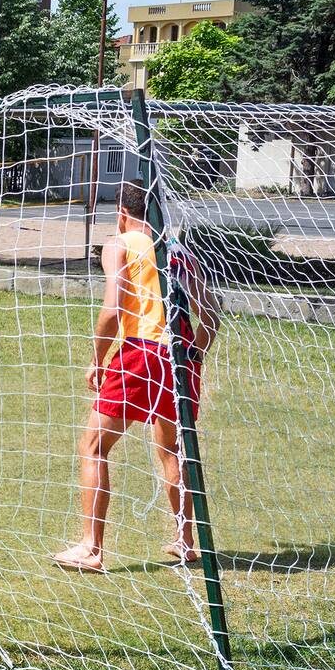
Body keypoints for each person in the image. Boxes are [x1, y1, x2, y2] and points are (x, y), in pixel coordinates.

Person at [53, 184, 214, 573]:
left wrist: (97, 358)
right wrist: (196, 354)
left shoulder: (120, 242)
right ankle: (185, 540)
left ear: (122, 212)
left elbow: (112, 309)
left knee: (93, 446)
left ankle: (92, 548)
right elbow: (209, 313)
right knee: (173, 452)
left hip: (140, 353)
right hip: (179, 355)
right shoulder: (177, 248)